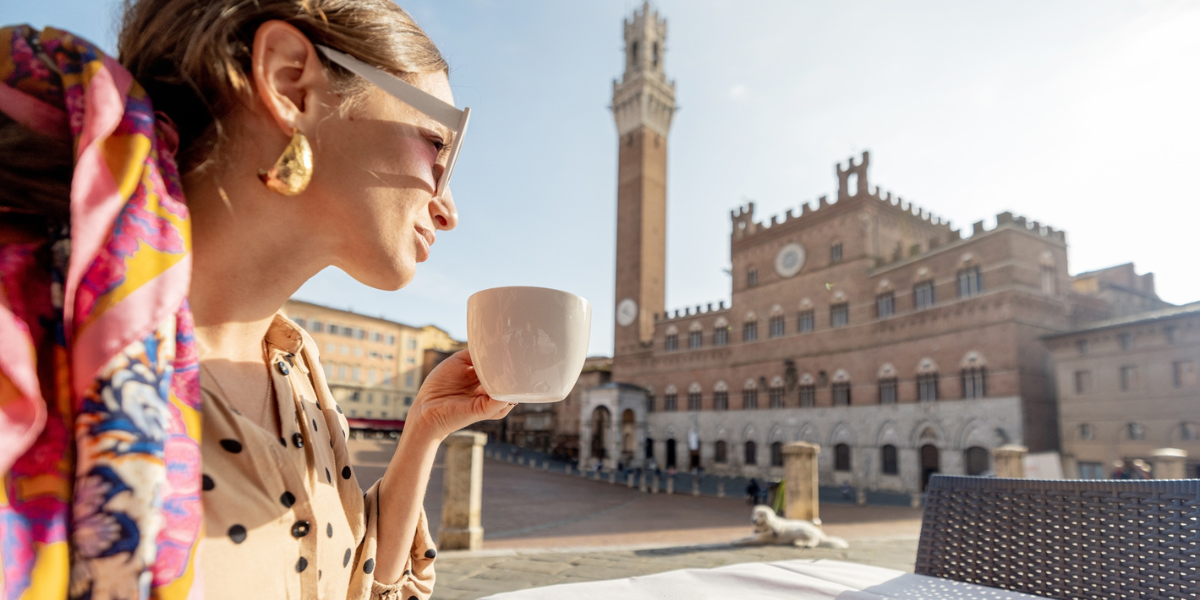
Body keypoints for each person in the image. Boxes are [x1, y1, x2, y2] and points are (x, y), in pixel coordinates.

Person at [1, 1, 514, 598]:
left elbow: (354, 581)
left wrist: (424, 429)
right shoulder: (31, 345)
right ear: (290, 82)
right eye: (437, 145)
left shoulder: (294, 367)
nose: (448, 210)